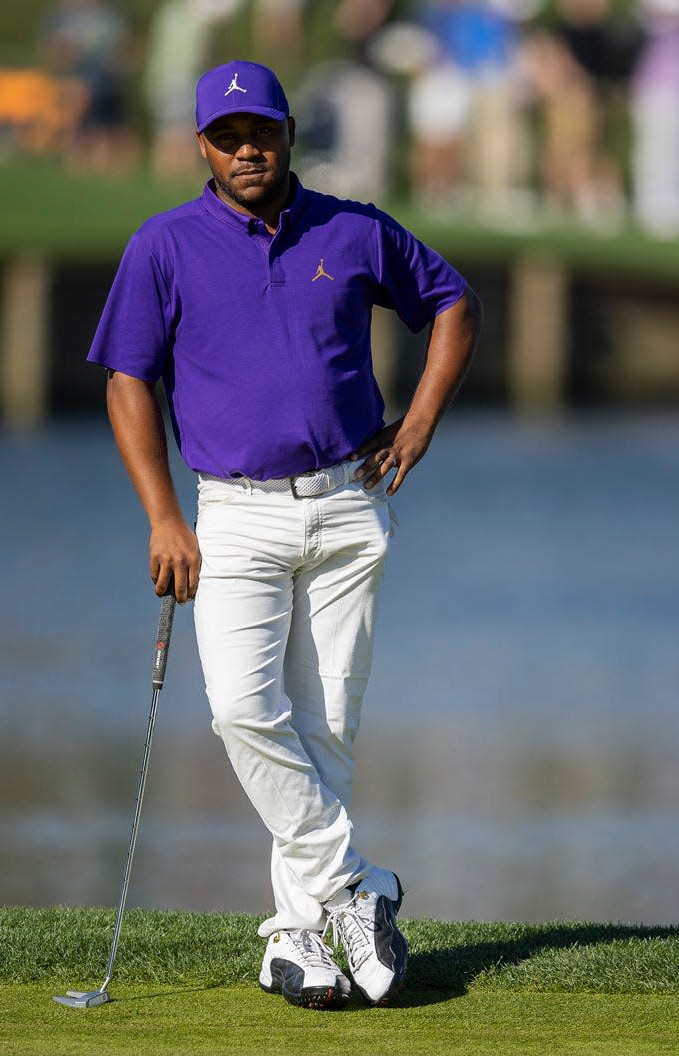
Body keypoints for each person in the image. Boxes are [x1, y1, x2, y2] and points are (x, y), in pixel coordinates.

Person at [87, 60, 481, 1010]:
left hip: (350, 501)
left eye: (260, 131)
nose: (246, 149)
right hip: (232, 513)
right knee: (238, 711)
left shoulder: (351, 227)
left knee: (327, 731)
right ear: (201, 149)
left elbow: (452, 303)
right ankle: (357, 887)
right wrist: (162, 517)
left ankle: (295, 939)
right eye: (226, 137)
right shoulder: (163, 246)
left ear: (289, 132)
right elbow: (126, 380)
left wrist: (419, 422)